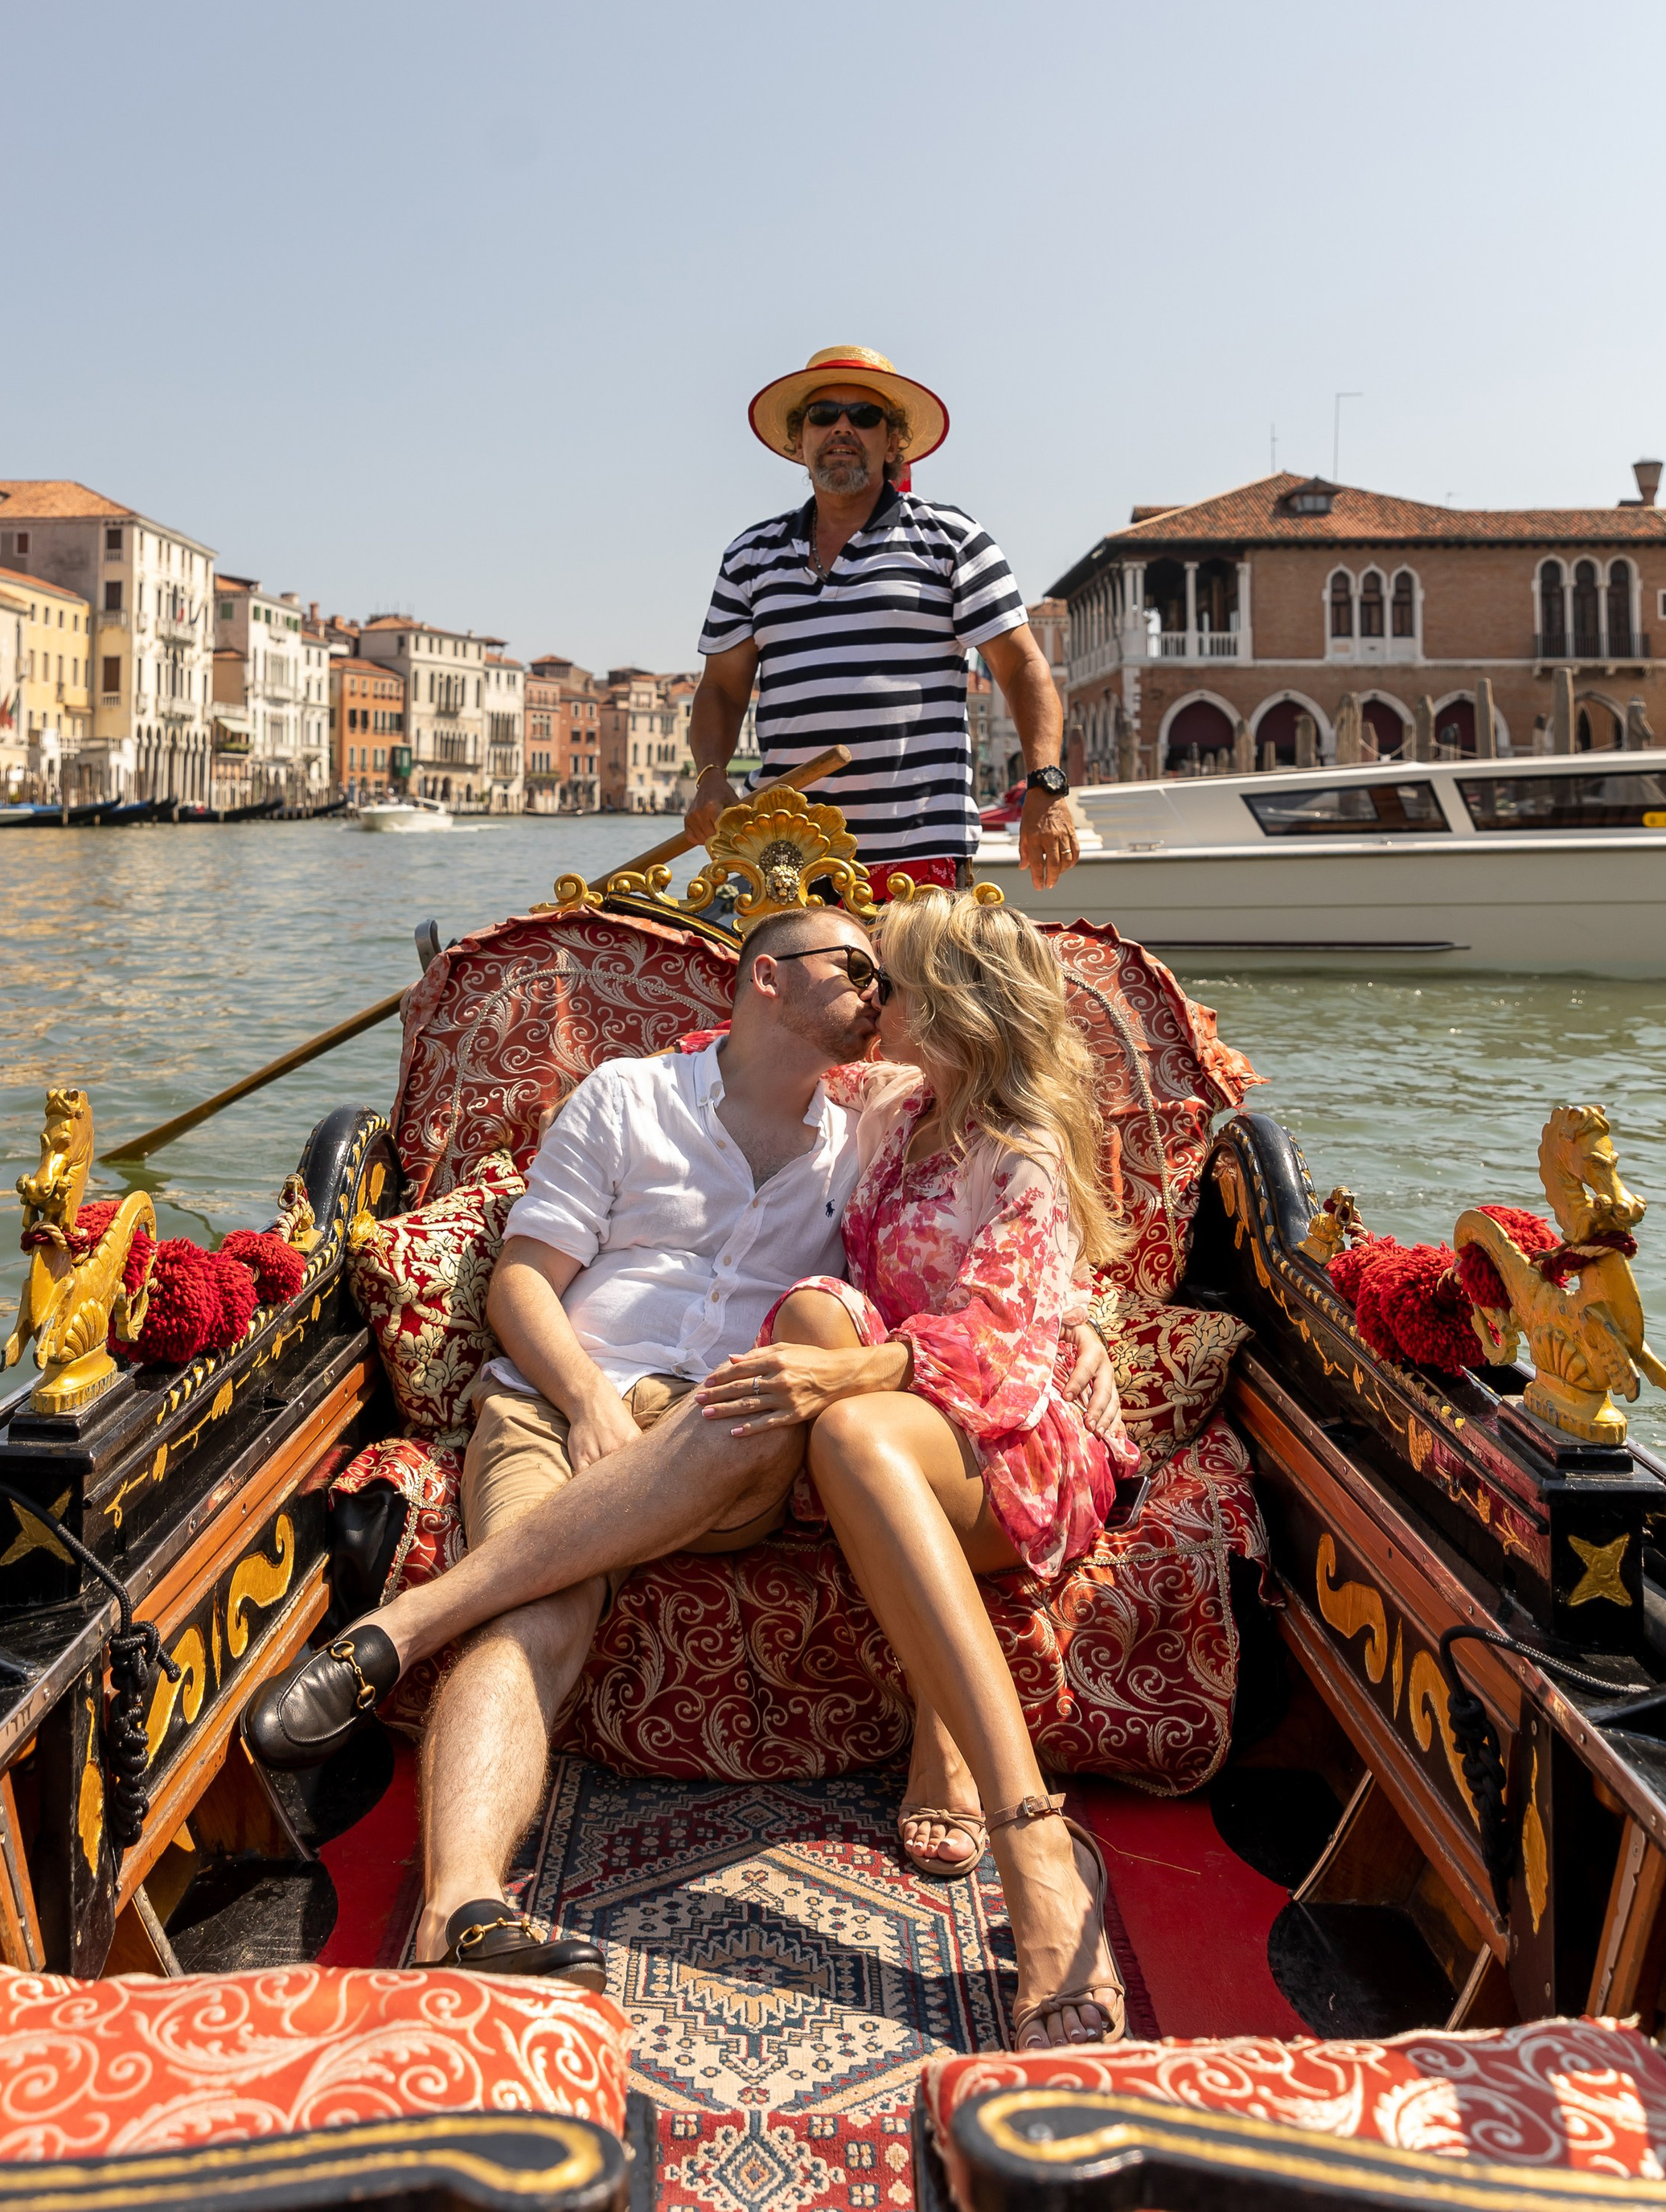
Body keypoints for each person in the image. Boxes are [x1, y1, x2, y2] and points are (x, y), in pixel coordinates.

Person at [244, 903, 885, 1984]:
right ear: (767, 978)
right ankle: (463, 1911)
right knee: (540, 1613)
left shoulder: (872, 1141)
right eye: (859, 969)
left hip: (725, 1434)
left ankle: (403, 1628)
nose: (881, 995)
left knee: (761, 1397)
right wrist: (586, 1400)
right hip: (555, 1403)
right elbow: (523, 1281)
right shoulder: (629, 1097)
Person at [695, 888, 1135, 2049]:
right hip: (902, 1422)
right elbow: (738, 1052)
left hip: (1014, 1446)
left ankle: (1031, 1838)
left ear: (950, 1006)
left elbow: (993, 1351)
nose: (872, 1000)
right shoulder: (895, 1105)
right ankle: (944, 1721)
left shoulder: (1024, 1155)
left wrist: (837, 1383)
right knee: (819, 1325)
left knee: (845, 1422)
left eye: (888, 981)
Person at [687, 343, 1081, 898]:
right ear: (800, 440)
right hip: (785, 851)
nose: (842, 428)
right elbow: (721, 691)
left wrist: (1046, 785)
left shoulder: (953, 540)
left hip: (919, 854)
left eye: (864, 416)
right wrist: (709, 776)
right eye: (824, 415)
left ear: (893, 441)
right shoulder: (750, 556)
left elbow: (1021, 669)